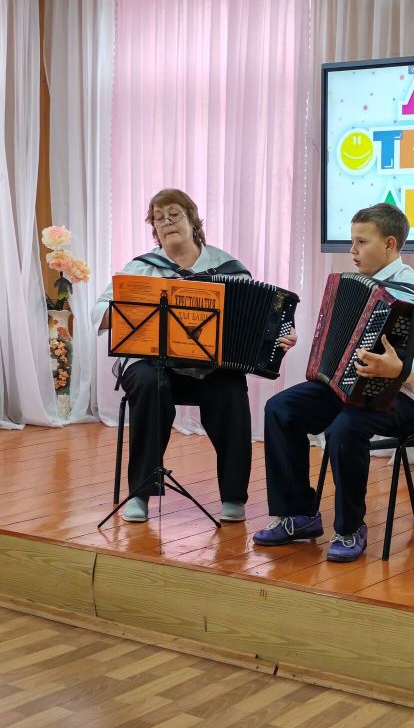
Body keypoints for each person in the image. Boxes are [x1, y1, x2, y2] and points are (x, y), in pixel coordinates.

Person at [93, 188, 296, 524]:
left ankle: (234, 496)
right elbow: (99, 311)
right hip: (150, 364)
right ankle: (140, 492)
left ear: (193, 220)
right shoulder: (141, 268)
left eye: (174, 214)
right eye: (158, 218)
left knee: (230, 388)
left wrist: (280, 337)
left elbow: (261, 324)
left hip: (207, 369)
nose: (166, 222)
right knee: (149, 383)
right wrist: (126, 308)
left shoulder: (227, 268)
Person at [253, 203, 414, 562]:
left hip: (402, 395)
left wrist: (398, 368)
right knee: (280, 408)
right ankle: (299, 515)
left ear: (390, 244)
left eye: (361, 242)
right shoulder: (358, 283)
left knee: (345, 427)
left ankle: (350, 527)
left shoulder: (412, 292)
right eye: (352, 241)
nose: (352, 251)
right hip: (348, 386)